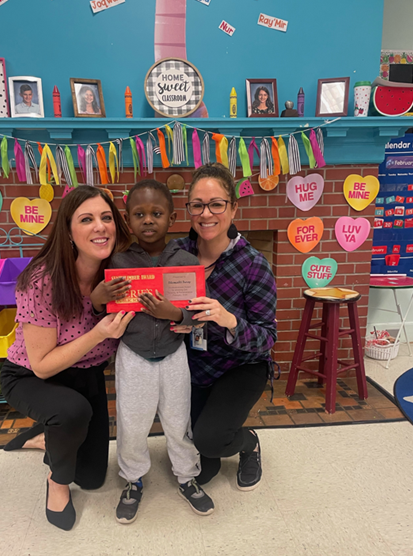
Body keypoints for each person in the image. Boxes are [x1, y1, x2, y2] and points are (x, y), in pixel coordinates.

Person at [0, 186, 135, 531]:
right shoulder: (41, 280)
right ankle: (55, 483)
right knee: (72, 413)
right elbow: (43, 364)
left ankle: (44, 436)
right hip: (31, 376)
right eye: (86, 219)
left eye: (106, 218)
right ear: (69, 231)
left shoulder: (119, 272)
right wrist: (100, 333)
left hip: (86, 375)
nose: (100, 227)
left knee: (92, 478)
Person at [90, 180, 215, 524]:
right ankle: (132, 479)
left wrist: (174, 314)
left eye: (156, 213)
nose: (148, 220)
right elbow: (102, 309)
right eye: (139, 214)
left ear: (172, 218)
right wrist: (99, 296)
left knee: (178, 420)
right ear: (128, 221)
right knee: (132, 421)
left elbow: (197, 314)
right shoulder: (117, 261)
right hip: (134, 354)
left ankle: (187, 476)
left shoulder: (187, 261)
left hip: (174, 354)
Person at [173, 163, 278, 489]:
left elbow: (267, 339)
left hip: (241, 365)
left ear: (233, 208)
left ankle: (249, 443)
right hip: (195, 365)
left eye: (217, 204)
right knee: (203, 472)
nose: (207, 214)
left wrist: (229, 320)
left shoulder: (253, 264)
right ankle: (215, 438)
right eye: (198, 205)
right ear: (189, 209)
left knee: (211, 441)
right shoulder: (177, 253)